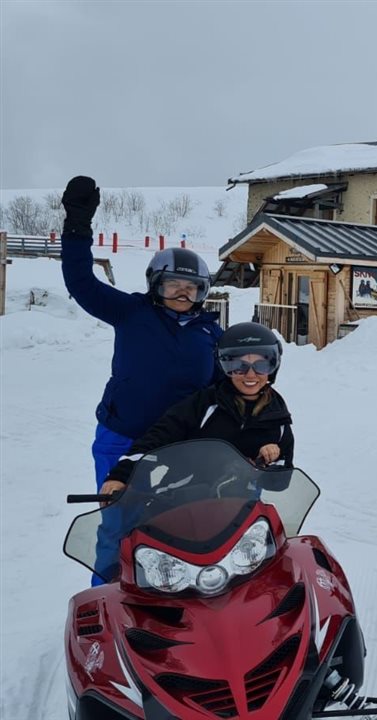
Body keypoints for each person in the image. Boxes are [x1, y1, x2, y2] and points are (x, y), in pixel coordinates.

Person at [59, 177, 224, 572]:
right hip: (122, 439)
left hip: (182, 447)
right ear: (155, 285)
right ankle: (108, 601)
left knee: (185, 528)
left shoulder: (211, 334)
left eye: (193, 289)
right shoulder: (132, 313)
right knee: (117, 526)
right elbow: (81, 282)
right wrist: (78, 224)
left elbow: (231, 389)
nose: (184, 295)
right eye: (174, 287)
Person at [93, 322, 293, 581]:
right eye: (238, 365)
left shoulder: (277, 417)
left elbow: (283, 480)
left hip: (239, 514)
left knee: (255, 573)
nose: (250, 373)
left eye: (262, 364)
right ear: (223, 366)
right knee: (126, 542)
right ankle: (108, 589)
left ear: (273, 366)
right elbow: (156, 438)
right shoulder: (203, 404)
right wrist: (120, 475)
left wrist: (270, 462)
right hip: (180, 500)